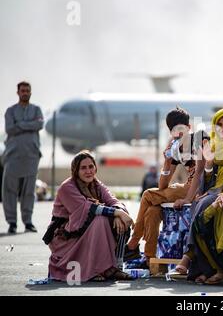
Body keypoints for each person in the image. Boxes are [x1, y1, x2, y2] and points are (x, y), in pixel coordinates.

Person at [125, 107, 208, 265]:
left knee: (148, 195)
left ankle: (133, 243)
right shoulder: (176, 148)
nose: (179, 135)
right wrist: (167, 162)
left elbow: (200, 173)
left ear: (189, 127)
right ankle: (149, 258)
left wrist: (187, 198)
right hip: (188, 187)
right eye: (175, 131)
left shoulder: (199, 138)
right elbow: (162, 186)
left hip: (201, 188)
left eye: (182, 130)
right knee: (152, 210)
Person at [176, 108, 223, 274]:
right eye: (219, 125)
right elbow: (206, 179)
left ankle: (188, 256)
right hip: (214, 191)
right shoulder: (212, 145)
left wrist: (220, 192)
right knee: (198, 203)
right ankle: (205, 268)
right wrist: (209, 165)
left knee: (203, 203)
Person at [44, 150, 135, 282]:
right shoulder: (67, 187)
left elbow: (113, 201)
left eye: (91, 167)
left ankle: (115, 267)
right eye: (83, 168)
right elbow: (88, 209)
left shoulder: (96, 185)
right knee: (101, 219)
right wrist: (118, 213)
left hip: (85, 231)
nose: (88, 171)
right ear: (76, 171)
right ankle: (96, 269)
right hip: (65, 237)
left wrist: (118, 214)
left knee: (119, 221)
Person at [2, 81, 43, 234]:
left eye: (27, 90)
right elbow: (10, 128)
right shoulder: (10, 111)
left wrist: (21, 124)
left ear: (30, 92)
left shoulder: (36, 109)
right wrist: (28, 124)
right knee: (9, 191)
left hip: (31, 156)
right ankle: (12, 222)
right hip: (13, 156)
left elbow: (39, 124)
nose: (25, 93)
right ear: (18, 92)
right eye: (22, 90)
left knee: (28, 191)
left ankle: (28, 222)